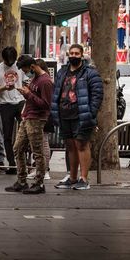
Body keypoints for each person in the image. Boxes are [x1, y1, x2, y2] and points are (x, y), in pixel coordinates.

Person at [52, 44, 104, 190]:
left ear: (82, 55)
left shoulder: (90, 73)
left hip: (81, 116)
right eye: (71, 53)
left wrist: (90, 112)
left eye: (76, 53)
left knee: (81, 145)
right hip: (64, 115)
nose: (73, 55)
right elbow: (56, 91)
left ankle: (84, 178)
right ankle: (72, 177)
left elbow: (97, 95)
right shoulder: (62, 72)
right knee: (70, 147)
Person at [4, 55, 53, 194]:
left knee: (37, 151)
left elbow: (46, 105)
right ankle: (22, 180)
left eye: (25, 70)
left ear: (32, 66)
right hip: (27, 117)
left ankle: (39, 182)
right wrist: (27, 93)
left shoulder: (45, 82)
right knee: (18, 148)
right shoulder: (35, 79)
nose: (25, 73)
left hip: (37, 119)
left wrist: (29, 94)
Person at [0, 46, 25, 174]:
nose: (10, 63)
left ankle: (24, 160)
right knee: (7, 135)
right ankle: (11, 162)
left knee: (25, 132)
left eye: (12, 61)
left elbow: (26, 81)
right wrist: (4, 88)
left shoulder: (19, 67)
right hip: (5, 104)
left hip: (20, 101)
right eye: (8, 61)